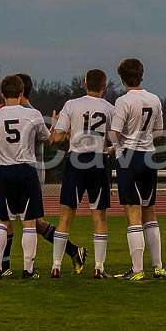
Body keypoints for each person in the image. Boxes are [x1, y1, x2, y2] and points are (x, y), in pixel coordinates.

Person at [0, 73, 87, 275]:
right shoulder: (25, 111)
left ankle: (5, 266)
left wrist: (54, 128)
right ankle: (73, 250)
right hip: (28, 170)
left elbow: (48, 140)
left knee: (13, 218)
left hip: (29, 170)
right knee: (31, 222)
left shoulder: (26, 112)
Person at [0, 74, 50, 279]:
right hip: (27, 171)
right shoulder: (33, 114)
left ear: (2, 94)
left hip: (5, 170)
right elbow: (46, 137)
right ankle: (28, 270)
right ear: (21, 94)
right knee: (29, 222)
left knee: (1, 221)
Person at [109, 58, 166, 281]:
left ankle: (136, 270)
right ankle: (158, 266)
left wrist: (117, 150)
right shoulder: (154, 99)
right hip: (149, 156)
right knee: (150, 211)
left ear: (122, 77)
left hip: (129, 157)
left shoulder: (123, 100)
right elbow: (159, 130)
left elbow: (115, 132)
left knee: (133, 213)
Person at [50, 69, 115, 279]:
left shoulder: (72, 105)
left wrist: (55, 125)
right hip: (98, 160)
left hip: (76, 161)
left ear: (84, 84)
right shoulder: (109, 108)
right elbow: (114, 139)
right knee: (99, 216)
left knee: (66, 215)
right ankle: (99, 266)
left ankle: (56, 265)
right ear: (104, 87)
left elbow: (57, 137)